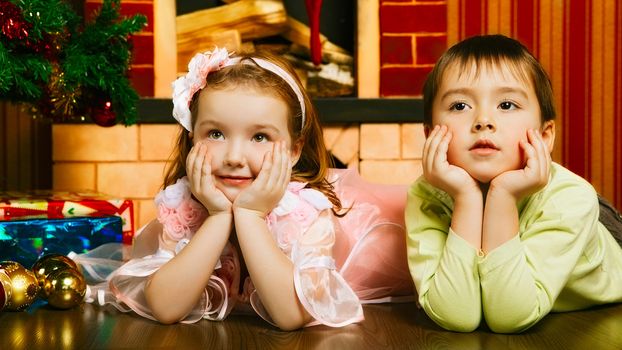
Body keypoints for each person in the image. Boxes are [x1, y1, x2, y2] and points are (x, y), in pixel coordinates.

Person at [78, 48, 413, 330]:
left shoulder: (305, 217)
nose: (235, 158)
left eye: (259, 137)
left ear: (294, 150)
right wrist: (218, 215)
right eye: (216, 134)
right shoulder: (185, 209)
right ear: (193, 137)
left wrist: (251, 215)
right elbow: (166, 308)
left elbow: (291, 315)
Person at [405, 34, 622, 333]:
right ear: (430, 135)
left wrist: (503, 196)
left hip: (601, 235)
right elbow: (457, 315)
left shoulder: (571, 199)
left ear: (545, 136)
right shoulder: (425, 194)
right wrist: (468, 198)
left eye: (506, 104)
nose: (483, 120)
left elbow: (510, 317)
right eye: (459, 106)